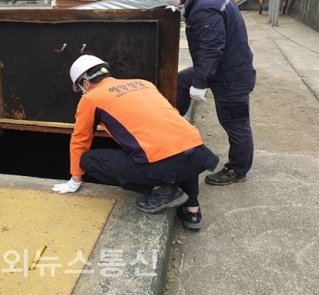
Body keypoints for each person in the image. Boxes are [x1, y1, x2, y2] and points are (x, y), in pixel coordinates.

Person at [51, 55, 219, 230]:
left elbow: (80, 140)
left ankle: (162, 190)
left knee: (89, 160)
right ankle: (192, 211)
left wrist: (75, 180)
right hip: (199, 155)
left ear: (85, 84)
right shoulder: (144, 83)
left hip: (167, 164)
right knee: (180, 145)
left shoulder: (90, 99)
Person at [149, 0, 257, 185]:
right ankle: (175, 130)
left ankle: (238, 169)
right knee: (178, 82)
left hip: (231, 75)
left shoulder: (205, 8)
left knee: (234, 123)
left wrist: (199, 83)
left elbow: (211, 49)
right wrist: (180, 8)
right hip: (224, 67)